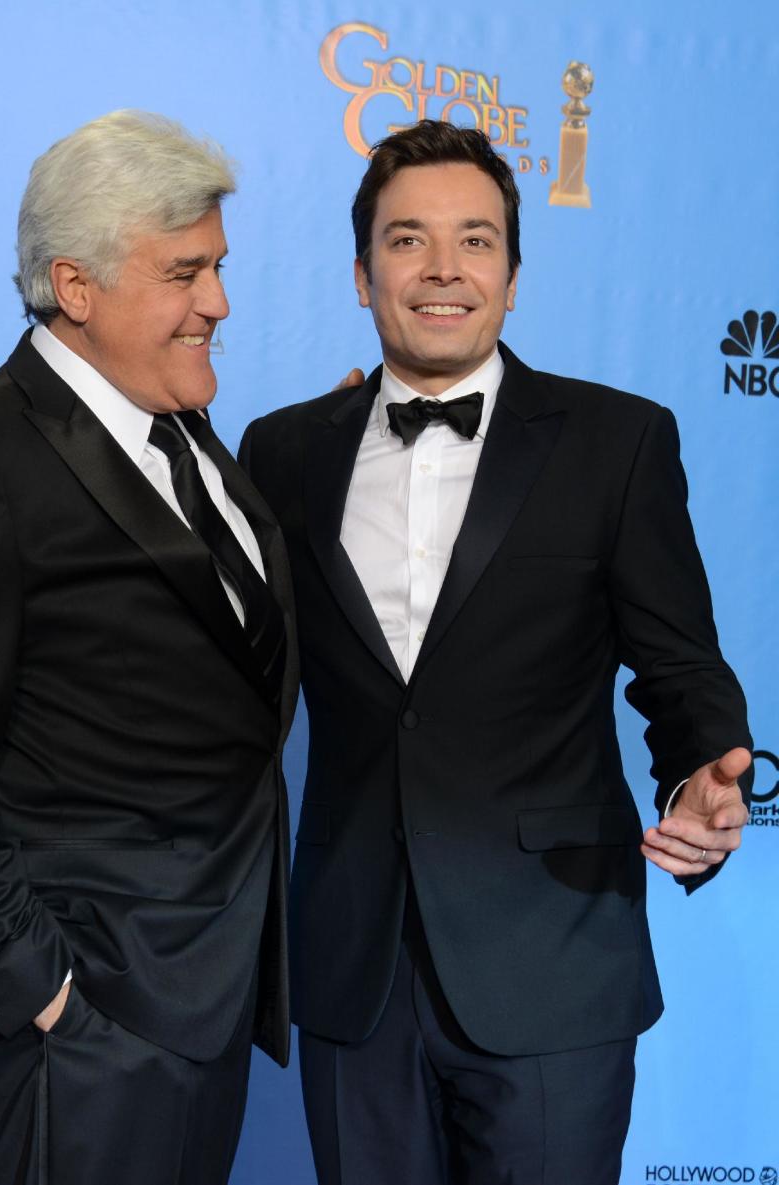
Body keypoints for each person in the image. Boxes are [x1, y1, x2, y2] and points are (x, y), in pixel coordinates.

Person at [239, 120, 752, 1185]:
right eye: (407, 240)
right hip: (352, 960)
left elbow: (680, 664)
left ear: (513, 276)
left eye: (475, 242)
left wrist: (706, 768)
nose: (441, 270)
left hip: (553, 953)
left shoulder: (618, 442)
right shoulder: (282, 450)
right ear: (361, 272)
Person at [0, 110, 297, 1185]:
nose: (219, 305)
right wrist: (41, 991)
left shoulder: (182, 427)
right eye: (185, 273)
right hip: (87, 1023)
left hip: (209, 995)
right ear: (77, 286)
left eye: (220, 269)